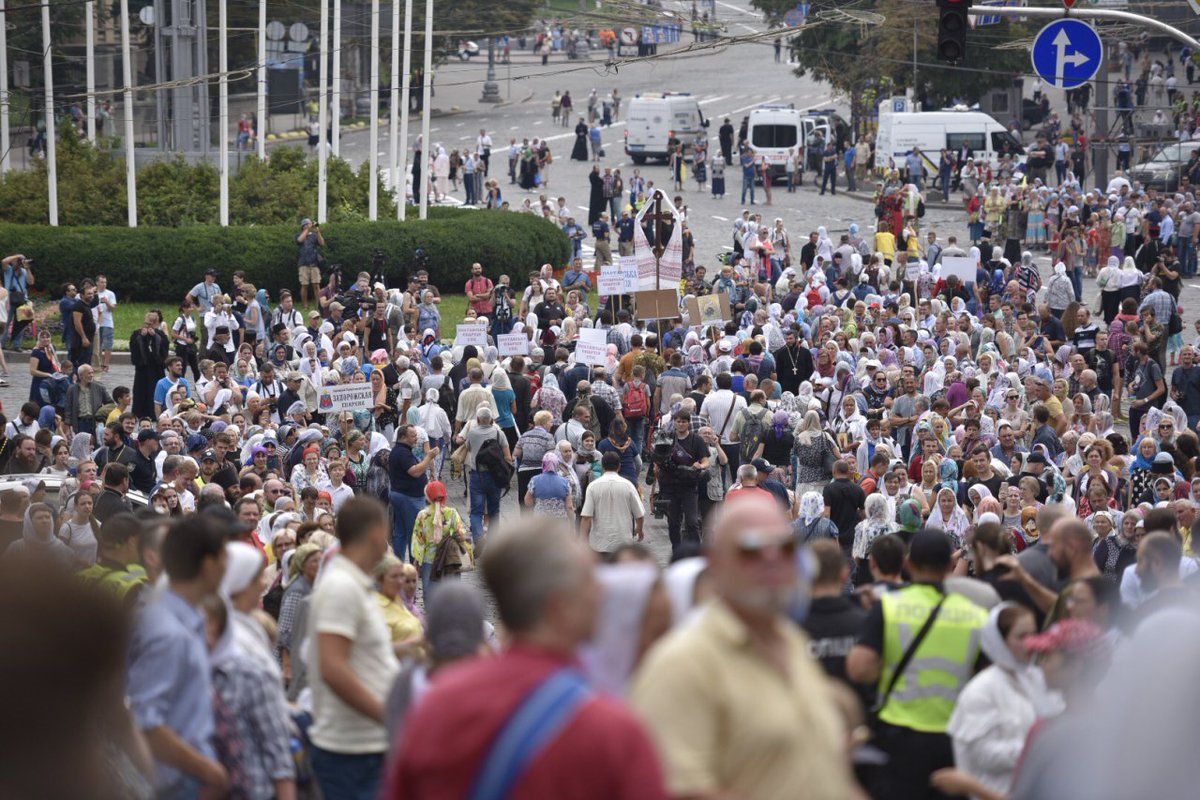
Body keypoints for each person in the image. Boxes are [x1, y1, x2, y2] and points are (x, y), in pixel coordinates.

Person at [382, 517, 669, 799]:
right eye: (590, 580)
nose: (603, 588)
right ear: (560, 606)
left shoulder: (436, 706)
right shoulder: (613, 733)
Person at [631, 492, 854, 797]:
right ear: (715, 563)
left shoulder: (792, 641)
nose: (772, 559)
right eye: (751, 550)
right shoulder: (682, 664)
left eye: (785, 547)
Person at [847, 528, 989, 800]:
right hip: (951, 738)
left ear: (908, 564)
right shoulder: (975, 616)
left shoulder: (888, 606)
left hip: (899, 735)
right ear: (950, 565)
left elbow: (859, 668)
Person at [127, 514, 231, 799]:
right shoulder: (168, 633)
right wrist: (206, 769)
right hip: (180, 783)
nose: (227, 567)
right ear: (208, 566)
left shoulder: (189, 619)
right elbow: (146, 721)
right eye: (224, 558)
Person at [307, 497, 398, 800]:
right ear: (376, 533)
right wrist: (389, 716)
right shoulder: (341, 586)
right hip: (351, 751)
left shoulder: (353, 583)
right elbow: (333, 667)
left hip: (366, 747)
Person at [946, 602, 1055, 798]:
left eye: (1034, 634)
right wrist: (1036, 750)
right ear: (999, 641)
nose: (1031, 643)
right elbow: (981, 754)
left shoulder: (1038, 677)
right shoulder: (982, 689)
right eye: (1021, 636)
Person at [388, 423, 438, 562]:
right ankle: (414, 564)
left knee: (401, 532)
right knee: (413, 533)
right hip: (408, 497)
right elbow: (415, 472)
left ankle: (398, 562)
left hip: (402, 495)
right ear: (403, 437)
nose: (416, 438)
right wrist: (429, 457)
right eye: (413, 435)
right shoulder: (402, 452)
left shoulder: (401, 451)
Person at [580, 450, 645, 554]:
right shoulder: (628, 486)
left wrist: (582, 542)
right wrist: (639, 530)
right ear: (619, 466)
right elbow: (639, 515)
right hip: (623, 544)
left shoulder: (592, 487)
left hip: (599, 543)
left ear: (602, 466)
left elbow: (586, 517)